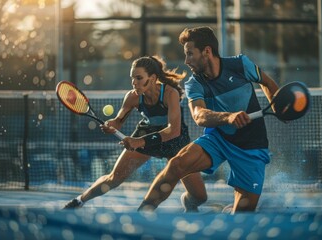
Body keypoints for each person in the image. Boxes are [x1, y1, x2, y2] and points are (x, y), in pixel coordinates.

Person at [137, 26, 279, 214]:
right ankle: (141, 214)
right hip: (218, 140)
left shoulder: (240, 64)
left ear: (207, 51)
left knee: (242, 215)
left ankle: (230, 211)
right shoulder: (194, 83)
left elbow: (268, 83)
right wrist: (228, 117)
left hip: (251, 146)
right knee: (176, 164)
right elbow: (199, 114)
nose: (186, 61)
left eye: (190, 54)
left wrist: (278, 107)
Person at [63, 55, 207, 212]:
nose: (134, 83)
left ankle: (188, 202)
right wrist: (112, 124)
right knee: (114, 178)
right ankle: (79, 201)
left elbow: (173, 130)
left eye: (139, 78)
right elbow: (118, 121)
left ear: (152, 78)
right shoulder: (132, 97)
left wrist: (140, 142)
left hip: (175, 140)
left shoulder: (170, 94)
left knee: (200, 197)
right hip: (147, 132)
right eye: (133, 78)